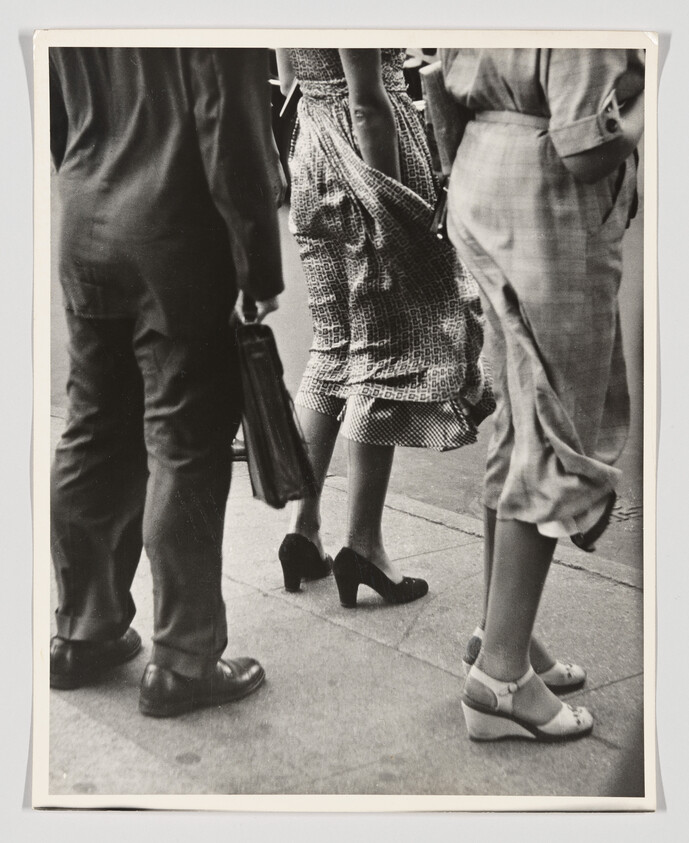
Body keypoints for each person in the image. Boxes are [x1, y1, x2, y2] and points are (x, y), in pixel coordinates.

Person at [49, 47, 285, 717]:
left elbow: (57, 112)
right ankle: (185, 659)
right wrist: (258, 265)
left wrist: (88, 175)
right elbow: (232, 128)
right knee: (186, 442)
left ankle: (82, 630)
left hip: (87, 213)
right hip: (177, 229)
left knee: (92, 428)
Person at [440, 47, 644, 740]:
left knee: (516, 418)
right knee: (552, 429)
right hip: (547, 194)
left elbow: (441, 82)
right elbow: (585, 143)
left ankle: (501, 631)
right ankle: (500, 677)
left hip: (483, 168)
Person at [275, 48, 493, 607]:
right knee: (385, 352)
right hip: (365, 158)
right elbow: (368, 104)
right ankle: (363, 545)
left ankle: (302, 529)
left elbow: (289, 76)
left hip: (312, 147)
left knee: (334, 344)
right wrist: (393, 208)